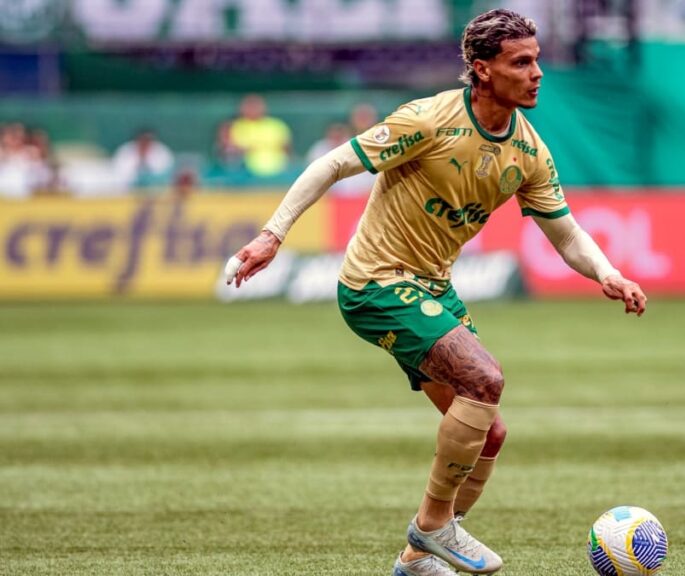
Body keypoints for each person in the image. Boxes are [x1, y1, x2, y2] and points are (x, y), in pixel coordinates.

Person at [226, 9, 647, 576]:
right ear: (482, 69)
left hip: (432, 288)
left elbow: (565, 233)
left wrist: (608, 274)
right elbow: (330, 165)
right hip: (375, 282)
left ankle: (417, 558)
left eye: (537, 59)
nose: (537, 72)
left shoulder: (529, 152)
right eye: (521, 62)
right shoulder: (427, 120)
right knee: (485, 379)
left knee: (490, 431)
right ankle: (432, 528)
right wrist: (273, 234)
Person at [228, 94, 292, 178]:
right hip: (247, 173)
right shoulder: (237, 126)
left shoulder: (277, 125)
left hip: (279, 170)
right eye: (250, 106)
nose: (253, 109)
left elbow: (286, 148)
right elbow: (236, 151)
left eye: (256, 106)